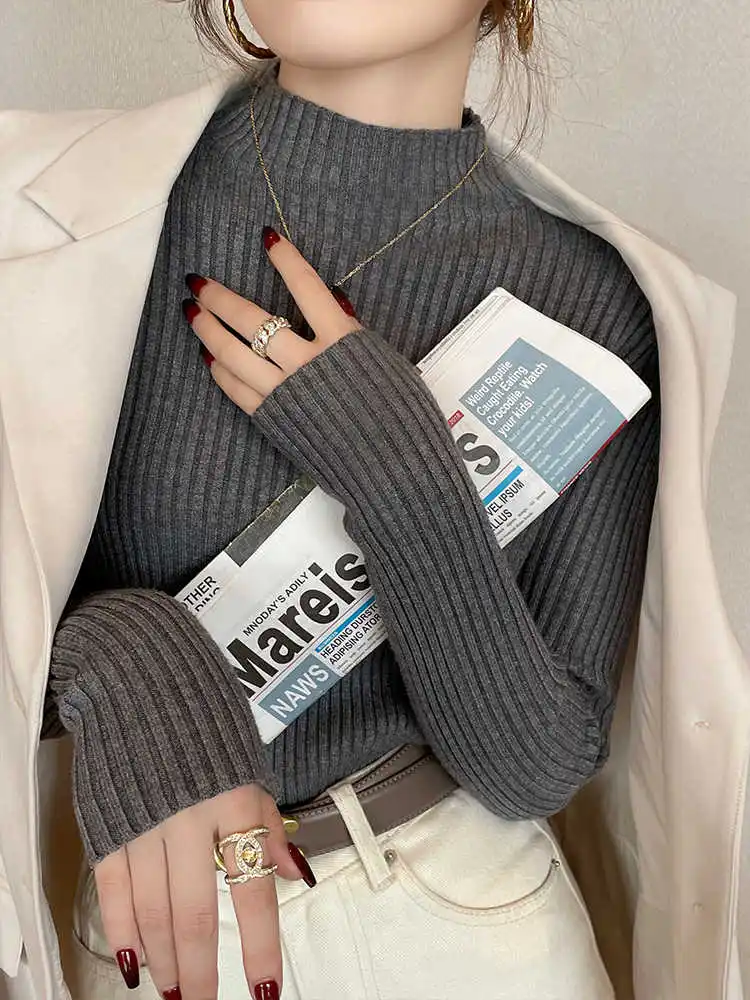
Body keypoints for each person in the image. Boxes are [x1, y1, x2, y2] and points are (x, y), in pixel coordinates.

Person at [0, 3, 746, 1000]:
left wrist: (401, 475)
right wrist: (124, 656)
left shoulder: (596, 300)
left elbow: (537, 767)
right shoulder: (57, 220)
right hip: (173, 933)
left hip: (472, 929)